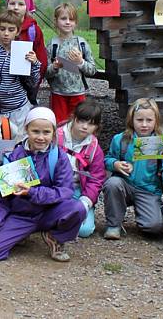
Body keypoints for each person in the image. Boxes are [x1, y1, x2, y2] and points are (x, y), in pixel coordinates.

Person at [0, 107, 86, 262]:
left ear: (53, 133)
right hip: (22, 216)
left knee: (77, 208)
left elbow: (65, 192)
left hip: (49, 213)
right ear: (26, 129)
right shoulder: (14, 157)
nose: (41, 137)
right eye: (35, 131)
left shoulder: (59, 157)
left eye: (46, 132)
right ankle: (21, 234)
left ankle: (54, 236)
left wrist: (32, 193)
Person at [102, 98, 163, 239]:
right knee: (112, 183)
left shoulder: (161, 142)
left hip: (148, 190)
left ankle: (144, 216)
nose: (144, 125)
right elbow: (107, 159)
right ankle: (113, 224)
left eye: (149, 120)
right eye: (139, 120)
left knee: (155, 227)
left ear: (156, 121)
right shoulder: (120, 139)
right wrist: (115, 164)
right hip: (124, 184)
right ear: (131, 120)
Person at [56, 99, 105, 238]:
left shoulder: (95, 148)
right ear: (74, 118)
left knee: (85, 230)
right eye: (81, 121)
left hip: (78, 189)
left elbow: (97, 178)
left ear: (96, 127)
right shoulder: (55, 137)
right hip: (56, 187)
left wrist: (86, 201)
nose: (85, 127)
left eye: (91, 124)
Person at [0, 9, 40, 133]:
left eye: (11, 30)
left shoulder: (23, 51)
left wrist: (34, 64)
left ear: (17, 31)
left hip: (18, 109)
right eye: (2, 29)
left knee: (18, 142)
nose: (6, 33)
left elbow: (33, 82)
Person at [46, 3, 97, 123]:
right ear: (56, 21)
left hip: (78, 94)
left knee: (78, 123)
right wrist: (54, 67)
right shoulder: (52, 44)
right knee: (59, 125)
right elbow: (45, 73)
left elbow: (92, 70)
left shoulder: (82, 44)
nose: (68, 22)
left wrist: (80, 62)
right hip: (58, 93)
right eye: (63, 18)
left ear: (76, 23)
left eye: (71, 19)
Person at [0, 0, 48, 83]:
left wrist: (34, 86)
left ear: (27, 7)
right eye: (12, 3)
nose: (16, 7)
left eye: (21, 4)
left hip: (24, 86)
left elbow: (42, 60)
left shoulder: (33, 30)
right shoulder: (1, 27)